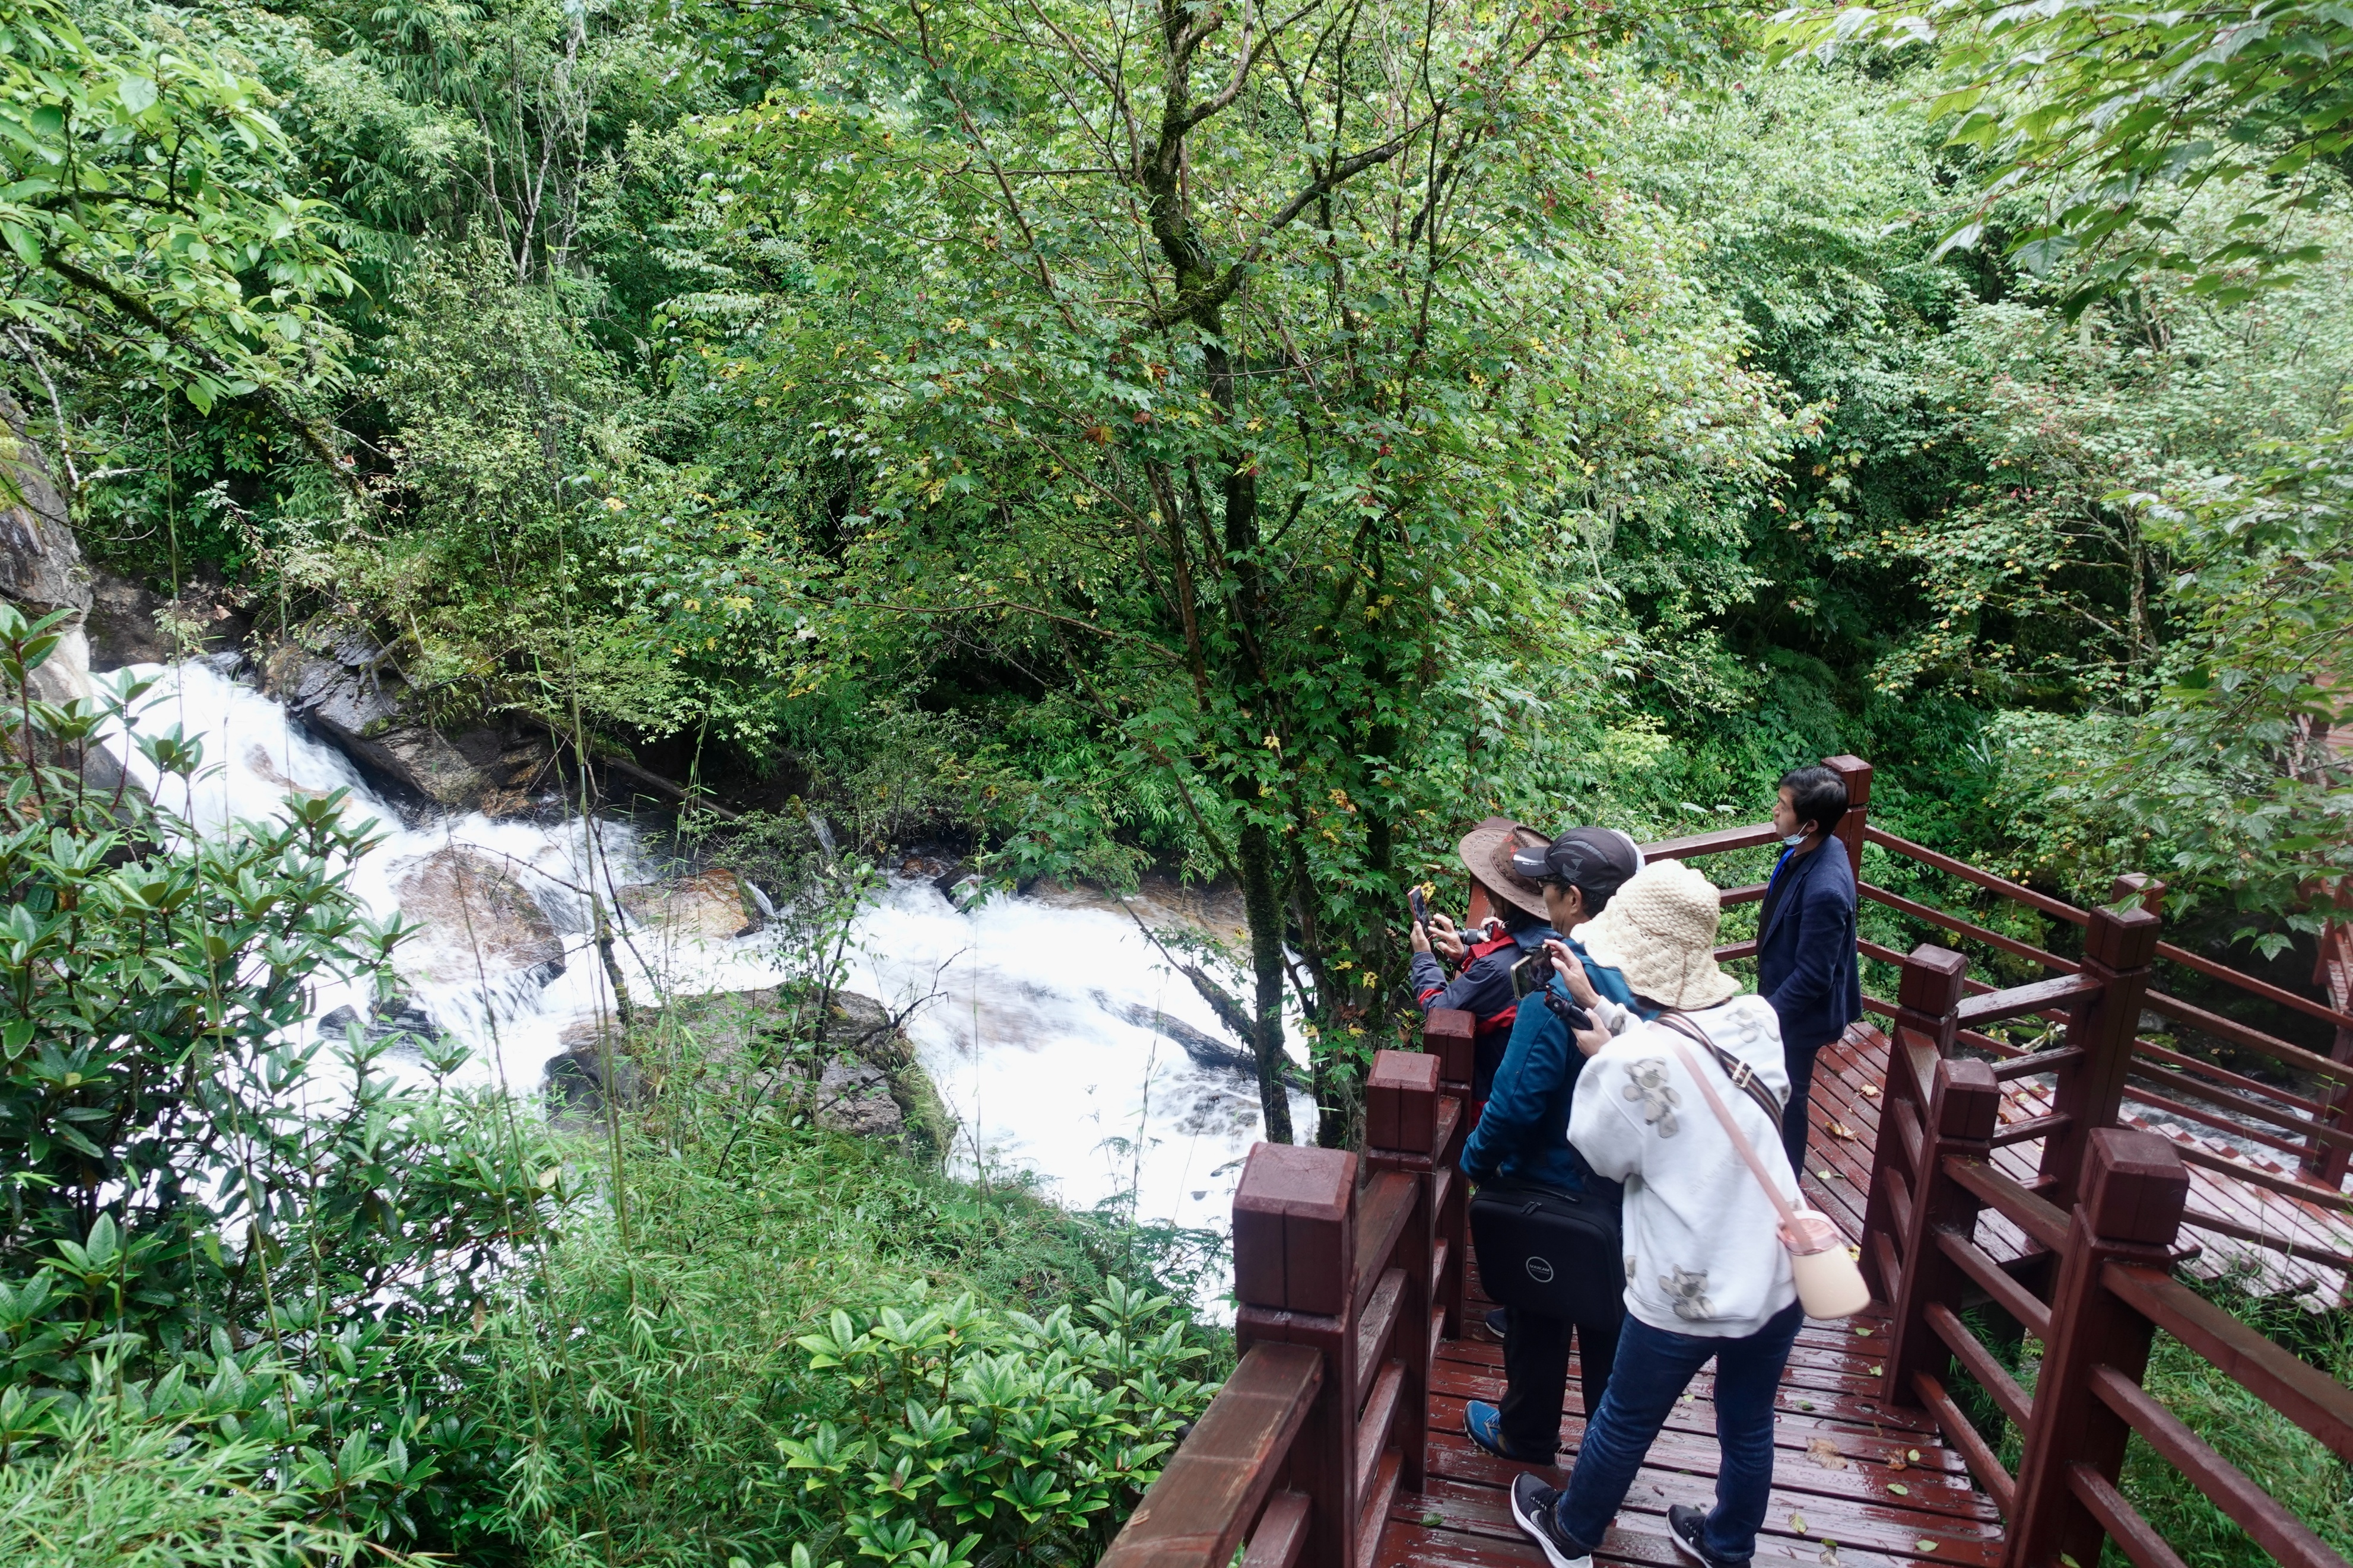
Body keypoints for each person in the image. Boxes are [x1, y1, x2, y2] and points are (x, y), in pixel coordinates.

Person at [1506, 859, 1806, 1568]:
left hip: (1685, 1285)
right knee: (1747, 1422)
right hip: (1776, 1266)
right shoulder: (1757, 1016)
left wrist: (1611, 1056)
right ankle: (1726, 1543)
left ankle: (1572, 1531)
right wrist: (1604, 1014)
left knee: (1624, 1417)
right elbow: (1686, 1059)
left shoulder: (1626, 1067)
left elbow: (1604, 1157)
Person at [1457, 828, 1647, 1465]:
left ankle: (1527, 1435)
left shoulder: (1558, 980)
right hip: (1627, 1192)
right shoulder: (1648, 969)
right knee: (1608, 1327)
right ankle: (1603, 1457)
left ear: (1570, 898)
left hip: (1549, 1182)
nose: (1539, 898)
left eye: (1544, 888)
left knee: (1537, 1314)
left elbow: (1515, 1100)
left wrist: (1474, 1163)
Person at [1756, 764, 1863, 1173]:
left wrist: (1765, 1016)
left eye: (1782, 807)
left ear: (1811, 823)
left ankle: (1787, 1182)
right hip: (1781, 990)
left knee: (1790, 1095)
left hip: (1801, 1013)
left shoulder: (1826, 889)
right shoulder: (1809, 849)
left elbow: (1815, 975)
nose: (1774, 811)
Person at [1409, 820, 1558, 1108]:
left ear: (1500, 898)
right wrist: (1466, 954)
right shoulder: (1550, 944)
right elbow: (1502, 990)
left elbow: (1438, 1011)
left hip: (1491, 1096)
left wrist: (1423, 956)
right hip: (1531, 1083)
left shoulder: (1497, 969)